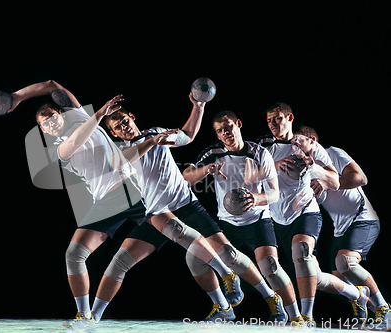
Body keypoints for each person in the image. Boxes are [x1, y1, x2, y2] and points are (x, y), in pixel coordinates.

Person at [8, 80, 238, 332]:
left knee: (176, 230)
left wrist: (17, 96)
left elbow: (53, 85)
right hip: (105, 201)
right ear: (43, 130)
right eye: (45, 124)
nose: (50, 123)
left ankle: (226, 274)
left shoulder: (79, 115)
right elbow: (76, 141)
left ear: (61, 115)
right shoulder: (59, 148)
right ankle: (85, 315)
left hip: (130, 189)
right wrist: (99, 114)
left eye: (52, 117)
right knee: (74, 255)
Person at [89, 93, 281, 326]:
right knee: (119, 262)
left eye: (125, 122)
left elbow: (188, 135)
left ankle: (271, 297)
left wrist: (198, 106)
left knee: (229, 254)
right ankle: (92, 316)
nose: (123, 127)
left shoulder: (157, 132)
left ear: (132, 117)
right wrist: (152, 141)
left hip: (186, 205)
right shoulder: (120, 150)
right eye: (117, 127)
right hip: (156, 213)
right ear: (114, 133)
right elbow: (122, 163)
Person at [184, 110, 296, 324]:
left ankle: (293, 314)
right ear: (217, 135)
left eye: (228, 126)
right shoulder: (213, 153)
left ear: (238, 124)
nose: (225, 132)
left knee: (270, 267)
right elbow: (185, 178)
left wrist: (255, 198)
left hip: (258, 219)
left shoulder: (260, 153)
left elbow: (274, 193)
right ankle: (223, 307)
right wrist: (208, 169)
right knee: (195, 258)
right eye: (220, 130)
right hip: (227, 222)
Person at [294, 126, 389, 331]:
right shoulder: (302, 168)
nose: (295, 147)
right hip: (340, 228)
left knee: (345, 262)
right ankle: (362, 299)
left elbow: (360, 178)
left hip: (362, 218)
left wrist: (329, 183)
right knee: (330, 281)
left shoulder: (332, 153)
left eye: (298, 141)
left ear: (312, 140)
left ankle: (384, 310)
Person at [258, 102, 340, 324]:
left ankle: (306, 316)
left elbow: (335, 182)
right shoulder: (263, 146)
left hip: (306, 212)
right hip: (276, 217)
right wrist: (275, 165)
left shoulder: (307, 144)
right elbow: (249, 175)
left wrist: (314, 167)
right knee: (313, 273)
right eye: (269, 120)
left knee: (301, 251)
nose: (273, 123)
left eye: (277, 118)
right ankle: (357, 295)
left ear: (290, 117)